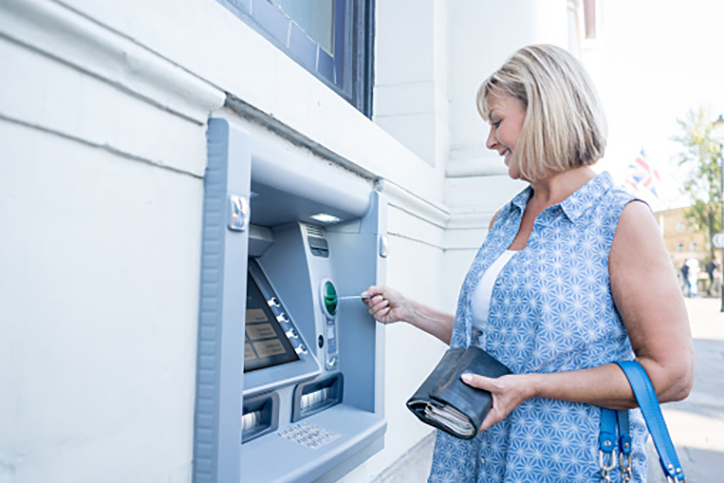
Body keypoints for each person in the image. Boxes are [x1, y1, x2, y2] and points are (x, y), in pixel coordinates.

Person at [363, 44, 694, 482]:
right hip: (473, 456)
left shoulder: (620, 218)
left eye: (497, 122)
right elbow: (498, 343)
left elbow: (672, 375)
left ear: (542, 113)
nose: (489, 141)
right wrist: (411, 311)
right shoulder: (505, 219)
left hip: (562, 463)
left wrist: (535, 385)